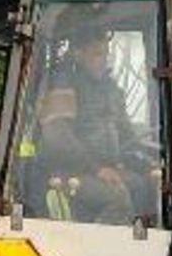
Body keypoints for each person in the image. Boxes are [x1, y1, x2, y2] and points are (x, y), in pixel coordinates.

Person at [32, 16, 153, 223]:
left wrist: (148, 162)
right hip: (68, 172)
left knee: (149, 187)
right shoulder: (63, 83)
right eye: (97, 54)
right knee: (117, 198)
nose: (104, 59)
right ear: (78, 54)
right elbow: (57, 136)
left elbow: (126, 137)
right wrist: (96, 169)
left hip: (104, 170)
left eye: (106, 54)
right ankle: (98, 253)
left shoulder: (111, 91)